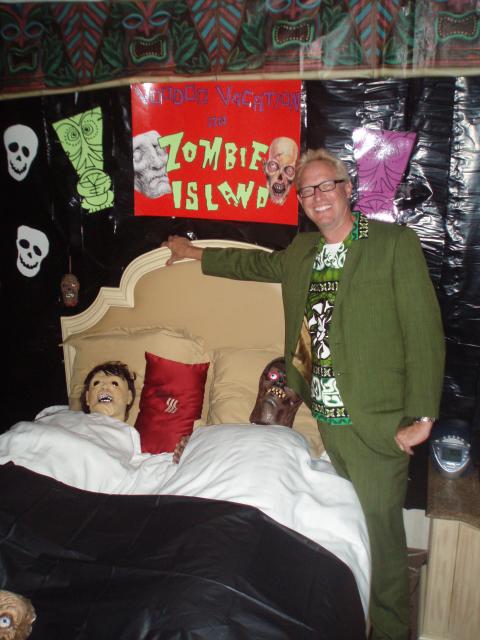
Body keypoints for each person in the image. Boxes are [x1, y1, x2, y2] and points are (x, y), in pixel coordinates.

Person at [161, 147, 445, 640]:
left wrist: (422, 416)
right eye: (307, 190)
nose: (318, 197)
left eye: (326, 185)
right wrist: (194, 254)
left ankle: (393, 629)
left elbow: (424, 330)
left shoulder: (392, 243)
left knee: (382, 537)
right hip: (326, 417)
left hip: (377, 420)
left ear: (347, 188)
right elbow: (254, 265)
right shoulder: (302, 251)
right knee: (349, 525)